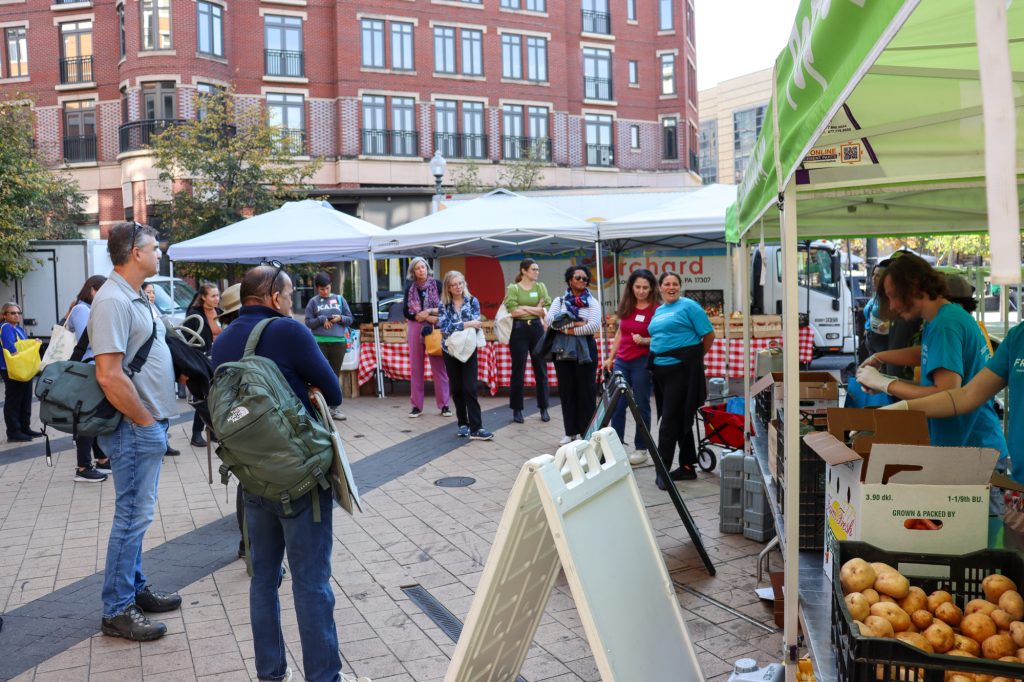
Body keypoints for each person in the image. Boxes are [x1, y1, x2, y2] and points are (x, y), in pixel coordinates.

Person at [211, 264, 353, 682]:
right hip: (302, 479)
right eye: (289, 296)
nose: (291, 303)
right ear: (274, 297)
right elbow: (333, 391)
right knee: (311, 585)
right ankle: (323, 677)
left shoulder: (225, 340)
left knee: (263, 581)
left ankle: (271, 673)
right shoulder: (289, 331)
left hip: (253, 477)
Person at [90, 221, 181, 641]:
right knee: (131, 517)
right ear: (133, 253)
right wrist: (145, 422)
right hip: (132, 427)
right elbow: (109, 376)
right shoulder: (111, 300)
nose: (160, 253)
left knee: (138, 518)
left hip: (146, 423)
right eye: (154, 247)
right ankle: (117, 609)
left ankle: (134, 588)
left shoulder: (134, 296)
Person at [857, 253, 1008, 459]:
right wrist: (882, 357)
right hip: (970, 446)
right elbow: (931, 352)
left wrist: (886, 383)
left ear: (915, 286)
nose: (891, 306)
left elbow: (945, 393)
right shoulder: (942, 317)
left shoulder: (945, 324)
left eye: (893, 295)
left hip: (972, 451)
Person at [882, 321, 1022, 485]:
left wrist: (890, 386)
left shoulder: (946, 324)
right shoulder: (1018, 337)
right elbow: (967, 394)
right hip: (1019, 483)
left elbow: (948, 388)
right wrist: (901, 408)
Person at [647, 272, 715, 488]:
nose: (671, 287)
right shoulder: (659, 310)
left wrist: (693, 360)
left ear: (680, 287)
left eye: (675, 284)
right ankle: (687, 467)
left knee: (668, 422)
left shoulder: (689, 306)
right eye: (667, 284)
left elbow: (709, 335)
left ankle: (662, 470)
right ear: (660, 287)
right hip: (660, 371)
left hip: (681, 371)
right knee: (679, 417)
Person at [602, 269, 659, 466]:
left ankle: (641, 448)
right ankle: (615, 447)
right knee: (617, 405)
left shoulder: (656, 309)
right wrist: (610, 358)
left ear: (652, 288)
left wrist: (645, 340)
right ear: (631, 287)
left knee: (642, 405)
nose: (641, 291)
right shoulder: (626, 305)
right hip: (621, 362)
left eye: (645, 287)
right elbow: (620, 333)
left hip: (642, 363)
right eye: (637, 287)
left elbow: (662, 338)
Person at [545, 265, 601, 446]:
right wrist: (578, 323)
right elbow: (551, 322)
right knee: (567, 392)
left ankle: (588, 432)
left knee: (587, 392)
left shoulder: (592, 302)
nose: (582, 281)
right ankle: (570, 432)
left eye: (585, 279)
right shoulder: (559, 301)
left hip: (586, 350)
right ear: (570, 280)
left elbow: (593, 326)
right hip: (563, 351)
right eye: (578, 278)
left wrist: (568, 329)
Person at [437, 270, 493, 441]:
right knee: (458, 389)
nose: (458, 287)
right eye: (454, 285)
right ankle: (463, 424)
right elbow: (444, 328)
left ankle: (477, 427)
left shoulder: (472, 301)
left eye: (460, 283)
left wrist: (462, 325)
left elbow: (477, 324)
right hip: (450, 350)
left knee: (470, 388)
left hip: (469, 350)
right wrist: (466, 324)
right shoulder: (443, 305)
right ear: (448, 287)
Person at [65, 275, 111, 482]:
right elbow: (91, 339)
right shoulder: (83, 310)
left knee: (93, 415)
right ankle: (83, 467)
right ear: (93, 290)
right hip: (87, 369)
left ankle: (101, 459)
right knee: (88, 418)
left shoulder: (84, 308)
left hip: (90, 367)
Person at [503, 258, 552, 424]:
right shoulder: (513, 288)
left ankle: (544, 407)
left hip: (537, 329)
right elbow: (513, 311)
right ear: (523, 271)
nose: (537, 272)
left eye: (538, 269)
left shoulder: (541, 287)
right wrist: (535, 309)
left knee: (541, 368)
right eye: (533, 269)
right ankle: (517, 409)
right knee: (518, 370)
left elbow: (546, 309)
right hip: (519, 330)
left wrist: (524, 308)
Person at [403, 257, 451, 418]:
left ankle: (444, 405)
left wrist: (428, 314)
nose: (421, 270)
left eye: (423, 267)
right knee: (416, 368)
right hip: (415, 327)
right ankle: (416, 406)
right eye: (417, 268)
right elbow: (406, 311)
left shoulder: (437, 285)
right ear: (413, 272)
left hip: (434, 326)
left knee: (439, 366)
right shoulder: (409, 287)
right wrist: (421, 316)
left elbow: (444, 307)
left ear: (427, 268)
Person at [304, 272, 353, 421]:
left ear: (331, 285)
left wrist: (340, 318)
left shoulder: (339, 299)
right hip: (319, 343)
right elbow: (308, 322)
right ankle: (319, 407)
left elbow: (350, 319)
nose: (324, 292)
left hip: (338, 343)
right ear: (317, 289)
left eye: (326, 288)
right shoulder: (313, 302)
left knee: (334, 375)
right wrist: (321, 319)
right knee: (320, 374)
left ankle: (333, 408)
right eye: (321, 289)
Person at [142, 282, 180, 457]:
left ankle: (163, 441)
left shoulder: (154, 309)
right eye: (148, 291)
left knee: (162, 403)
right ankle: (156, 444)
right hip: (149, 368)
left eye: (153, 292)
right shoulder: (141, 310)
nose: (151, 295)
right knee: (153, 405)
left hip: (161, 368)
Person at [183, 282, 221, 447]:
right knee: (205, 396)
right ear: (203, 297)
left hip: (218, 359)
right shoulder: (194, 314)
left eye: (218, 295)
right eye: (213, 295)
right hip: (202, 361)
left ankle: (212, 431)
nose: (216, 299)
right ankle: (196, 433)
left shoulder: (220, 312)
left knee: (216, 397)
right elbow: (186, 339)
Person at [0, 302, 40, 443]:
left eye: (18, 313)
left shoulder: (18, 328)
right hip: (11, 368)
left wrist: (33, 343)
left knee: (25, 398)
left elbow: (22, 344)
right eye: (12, 313)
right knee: (14, 400)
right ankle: (14, 432)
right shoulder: (6, 328)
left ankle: (24, 427)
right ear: (4, 315)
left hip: (22, 367)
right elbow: (11, 347)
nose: (17, 315)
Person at [863, 265, 890, 357]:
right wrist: (867, 329)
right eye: (873, 274)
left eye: (878, 275)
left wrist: (887, 324)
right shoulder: (877, 294)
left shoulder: (889, 295)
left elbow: (899, 316)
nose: (874, 278)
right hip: (871, 338)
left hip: (883, 340)